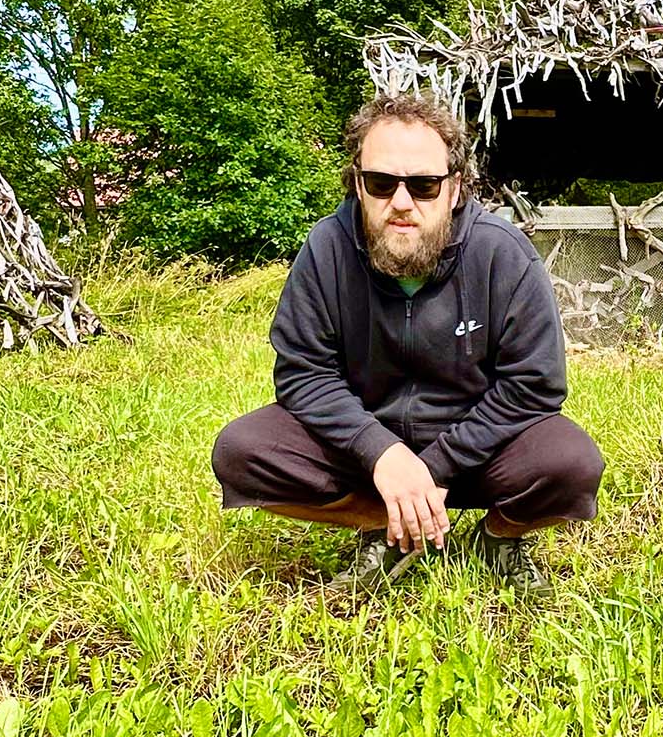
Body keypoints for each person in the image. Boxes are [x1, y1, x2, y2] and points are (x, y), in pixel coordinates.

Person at [212, 94, 604, 590]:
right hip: (366, 448)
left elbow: (535, 385)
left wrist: (435, 466)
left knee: (572, 465)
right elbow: (304, 373)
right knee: (242, 451)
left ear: (454, 188)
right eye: (381, 183)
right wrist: (382, 454)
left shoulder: (502, 254)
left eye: (423, 185)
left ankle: (500, 535)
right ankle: (382, 524)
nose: (401, 202)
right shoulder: (326, 247)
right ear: (358, 183)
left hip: (475, 450)